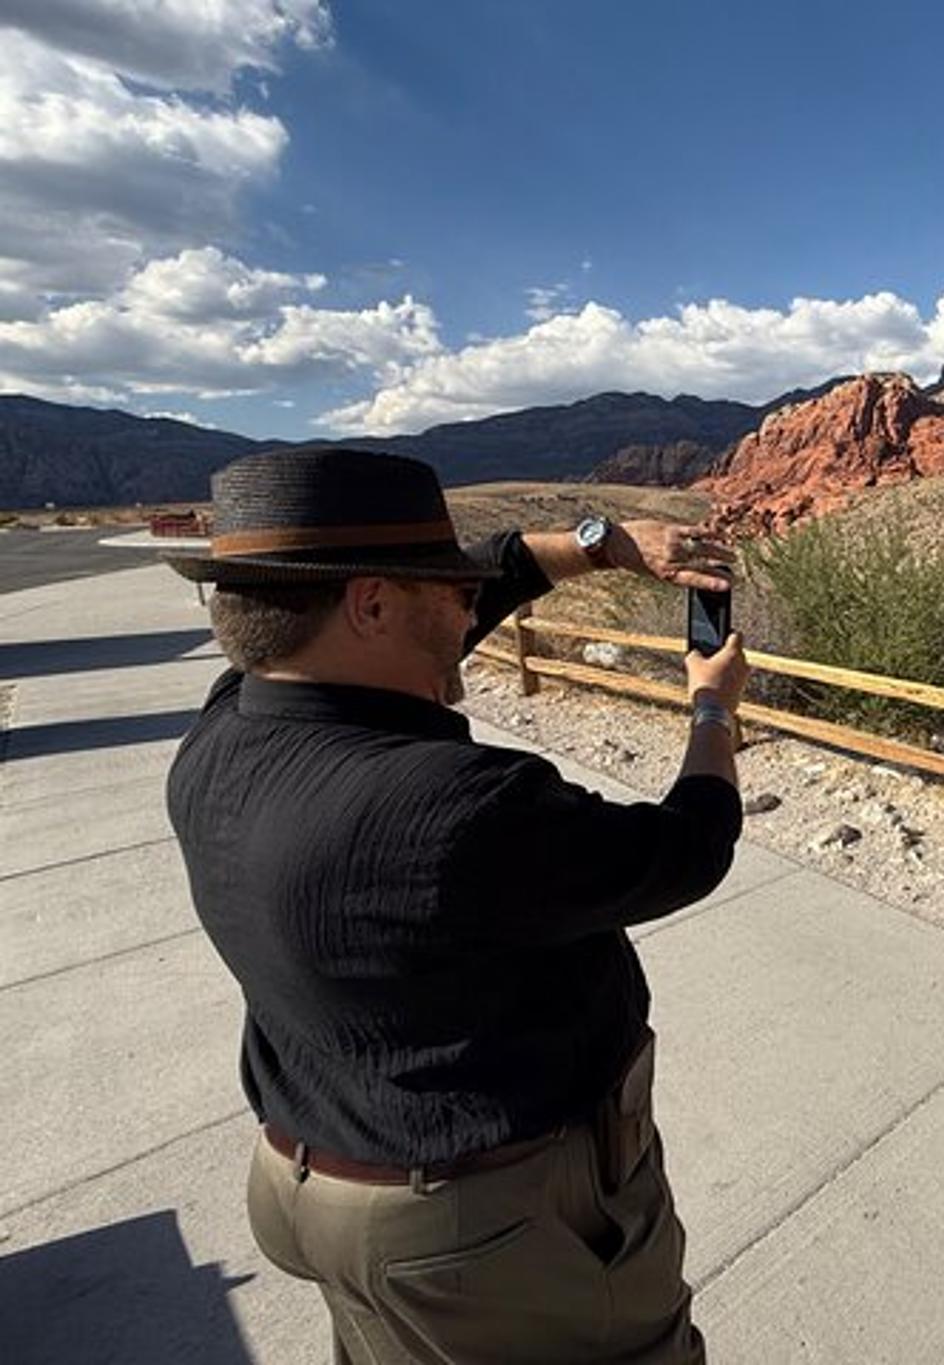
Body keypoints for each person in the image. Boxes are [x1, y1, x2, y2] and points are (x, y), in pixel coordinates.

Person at [163, 447, 746, 1365]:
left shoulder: (223, 728)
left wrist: (602, 544)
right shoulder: (455, 805)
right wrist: (713, 711)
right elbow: (689, 848)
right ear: (370, 605)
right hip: (482, 1230)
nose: (472, 601)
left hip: (314, 1185)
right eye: (449, 586)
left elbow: (432, 617)